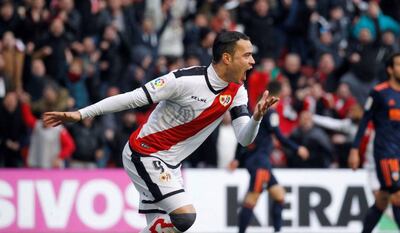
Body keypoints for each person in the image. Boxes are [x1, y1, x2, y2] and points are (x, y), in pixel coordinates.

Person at [43, 31, 278, 233]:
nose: (252, 61)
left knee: (164, 227)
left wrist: (256, 118)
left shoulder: (237, 91)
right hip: (144, 153)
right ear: (227, 58)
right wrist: (82, 114)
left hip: (171, 165)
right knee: (185, 217)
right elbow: (132, 99)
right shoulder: (184, 81)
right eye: (247, 55)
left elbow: (244, 138)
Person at [228, 80, 309, 233]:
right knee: (252, 200)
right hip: (260, 162)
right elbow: (278, 136)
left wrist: (237, 158)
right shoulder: (271, 111)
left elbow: (244, 135)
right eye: (286, 86)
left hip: (259, 161)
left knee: (279, 196)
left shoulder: (260, 110)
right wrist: (297, 148)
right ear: (280, 90)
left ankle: (277, 231)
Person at [348, 52, 400, 233]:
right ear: (390, 70)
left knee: (383, 200)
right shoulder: (379, 93)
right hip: (384, 153)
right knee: (398, 197)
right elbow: (364, 122)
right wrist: (355, 150)